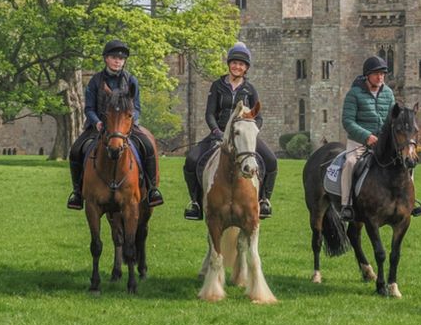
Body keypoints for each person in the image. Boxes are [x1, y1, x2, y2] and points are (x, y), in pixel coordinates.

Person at [183, 42, 278, 220]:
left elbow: (258, 116)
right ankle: (195, 203)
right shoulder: (217, 86)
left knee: (271, 161)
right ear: (229, 64)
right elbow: (210, 113)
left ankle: (264, 200)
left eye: (241, 64)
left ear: (246, 68)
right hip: (219, 134)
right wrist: (217, 132)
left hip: (244, 136)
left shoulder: (250, 89)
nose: (237, 66)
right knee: (192, 160)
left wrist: (252, 131)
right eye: (234, 62)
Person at [66, 39, 163, 209]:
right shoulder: (95, 81)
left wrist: (130, 122)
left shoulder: (131, 80)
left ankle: (152, 189)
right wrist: (96, 122)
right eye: (114, 57)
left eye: (121, 58)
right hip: (99, 128)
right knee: (75, 150)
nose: (118, 61)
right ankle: (77, 192)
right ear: (106, 59)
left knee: (148, 146)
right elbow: (89, 108)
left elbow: (137, 107)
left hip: (125, 128)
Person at [339, 55, 421, 221]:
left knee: (408, 162)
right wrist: (366, 136)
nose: (380, 77)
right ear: (367, 76)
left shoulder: (388, 93)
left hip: (382, 143)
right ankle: (346, 205)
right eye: (377, 74)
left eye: (382, 74)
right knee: (349, 163)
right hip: (359, 142)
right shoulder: (354, 94)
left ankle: (410, 202)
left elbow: (392, 119)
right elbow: (348, 121)